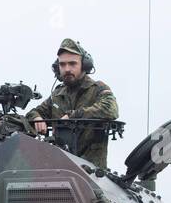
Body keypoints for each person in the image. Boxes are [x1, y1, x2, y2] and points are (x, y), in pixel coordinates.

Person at [24, 39, 118, 169]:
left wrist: (73, 116)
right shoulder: (57, 94)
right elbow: (34, 111)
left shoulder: (97, 89)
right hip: (60, 169)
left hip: (91, 172)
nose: (67, 69)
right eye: (62, 65)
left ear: (84, 65)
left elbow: (110, 109)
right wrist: (37, 118)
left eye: (72, 63)